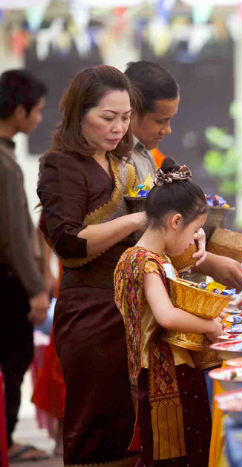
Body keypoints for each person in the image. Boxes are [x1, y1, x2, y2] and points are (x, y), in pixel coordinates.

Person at [36, 65, 207, 467]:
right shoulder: (61, 165)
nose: (119, 128)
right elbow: (67, 241)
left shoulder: (123, 163)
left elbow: (163, 219)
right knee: (98, 425)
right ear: (80, 114)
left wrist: (190, 233)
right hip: (92, 311)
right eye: (107, 118)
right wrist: (133, 220)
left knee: (135, 423)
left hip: (131, 309)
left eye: (126, 117)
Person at [115, 158, 226, 466]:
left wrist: (198, 241)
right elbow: (166, 316)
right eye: (195, 229)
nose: (195, 237)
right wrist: (210, 325)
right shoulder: (146, 262)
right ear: (176, 221)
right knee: (173, 453)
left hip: (170, 370)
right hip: (165, 375)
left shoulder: (143, 255)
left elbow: (177, 267)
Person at [125, 60, 242, 291]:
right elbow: (146, 235)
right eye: (160, 121)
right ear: (132, 113)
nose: (168, 130)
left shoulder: (147, 155)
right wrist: (207, 262)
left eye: (170, 120)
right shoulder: (120, 159)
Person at [0, 69, 52, 462]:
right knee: (13, 359)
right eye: (36, 111)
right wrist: (35, 288)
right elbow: (14, 237)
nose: (38, 119)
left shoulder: (7, 156)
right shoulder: (3, 165)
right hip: (9, 283)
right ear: (18, 111)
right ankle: (7, 441)